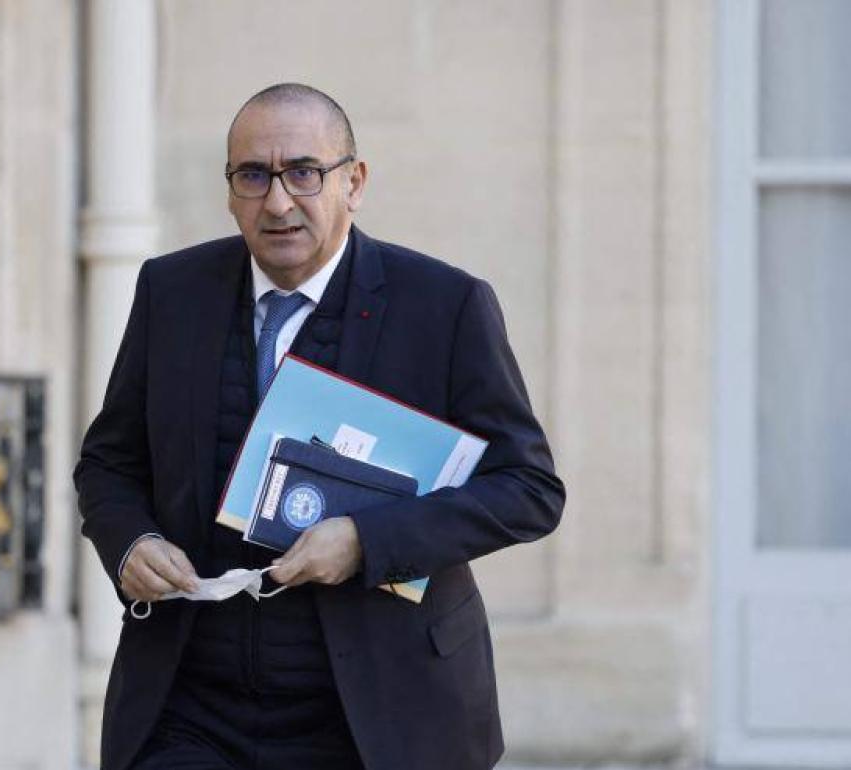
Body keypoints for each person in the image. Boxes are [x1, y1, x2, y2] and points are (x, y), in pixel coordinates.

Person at [75, 82, 565, 770]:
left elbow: (529, 489)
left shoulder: (445, 306)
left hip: (376, 716)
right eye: (253, 175)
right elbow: (109, 463)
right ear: (229, 190)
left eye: (304, 172)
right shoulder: (171, 292)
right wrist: (130, 542)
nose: (278, 202)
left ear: (353, 182)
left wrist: (367, 541)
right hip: (191, 707)